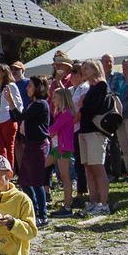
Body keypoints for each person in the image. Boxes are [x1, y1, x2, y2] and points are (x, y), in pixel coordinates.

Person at [75, 60, 115, 216]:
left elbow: (92, 109)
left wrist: (82, 105)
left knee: (98, 167)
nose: (83, 71)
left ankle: (104, 203)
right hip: (85, 131)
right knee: (89, 169)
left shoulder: (101, 86)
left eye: (87, 68)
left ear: (95, 69)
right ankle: (93, 201)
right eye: (83, 69)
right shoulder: (91, 88)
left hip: (96, 132)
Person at [14, 75, 52, 225]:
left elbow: (19, 116)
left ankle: (42, 214)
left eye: (30, 85)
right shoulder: (31, 104)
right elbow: (15, 117)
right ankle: (34, 210)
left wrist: (11, 102)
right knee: (24, 180)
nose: (27, 88)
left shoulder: (40, 104)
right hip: (30, 144)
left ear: (39, 87)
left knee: (36, 181)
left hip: (38, 145)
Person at [48, 61, 77, 216]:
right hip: (57, 147)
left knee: (65, 177)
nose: (53, 99)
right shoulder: (60, 112)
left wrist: (44, 133)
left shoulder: (66, 114)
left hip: (63, 148)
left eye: (55, 97)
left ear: (62, 99)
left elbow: (54, 129)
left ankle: (67, 206)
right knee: (43, 166)